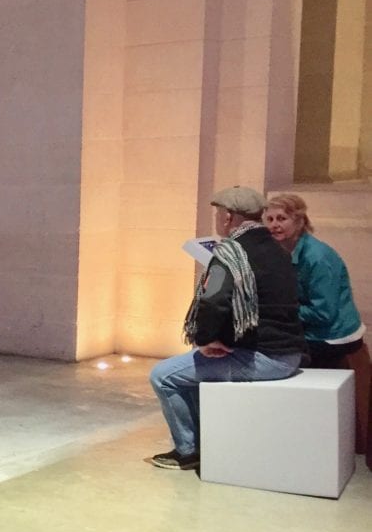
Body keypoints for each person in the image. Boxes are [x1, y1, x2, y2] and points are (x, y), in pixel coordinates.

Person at [148, 187, 305, 470]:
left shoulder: (230, 253)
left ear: (228, 217)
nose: (218, 218)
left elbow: (214, 301)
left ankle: (188, 450)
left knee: (163, 375)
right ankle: (203, 441)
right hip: (290, 354)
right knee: (190, 369)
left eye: (218, 213)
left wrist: (206, 339)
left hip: (263, 358)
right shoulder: (279, 251)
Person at [265, 193, 371, 457]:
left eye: (282, 218)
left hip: (333, 336)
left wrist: (277, 310)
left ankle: (301, 440)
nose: (275, 225)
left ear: (299, 221)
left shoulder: (318, 257)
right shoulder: (283, 250)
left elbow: (323, 313)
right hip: (312, 329)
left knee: (273, 353)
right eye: (270, 219)